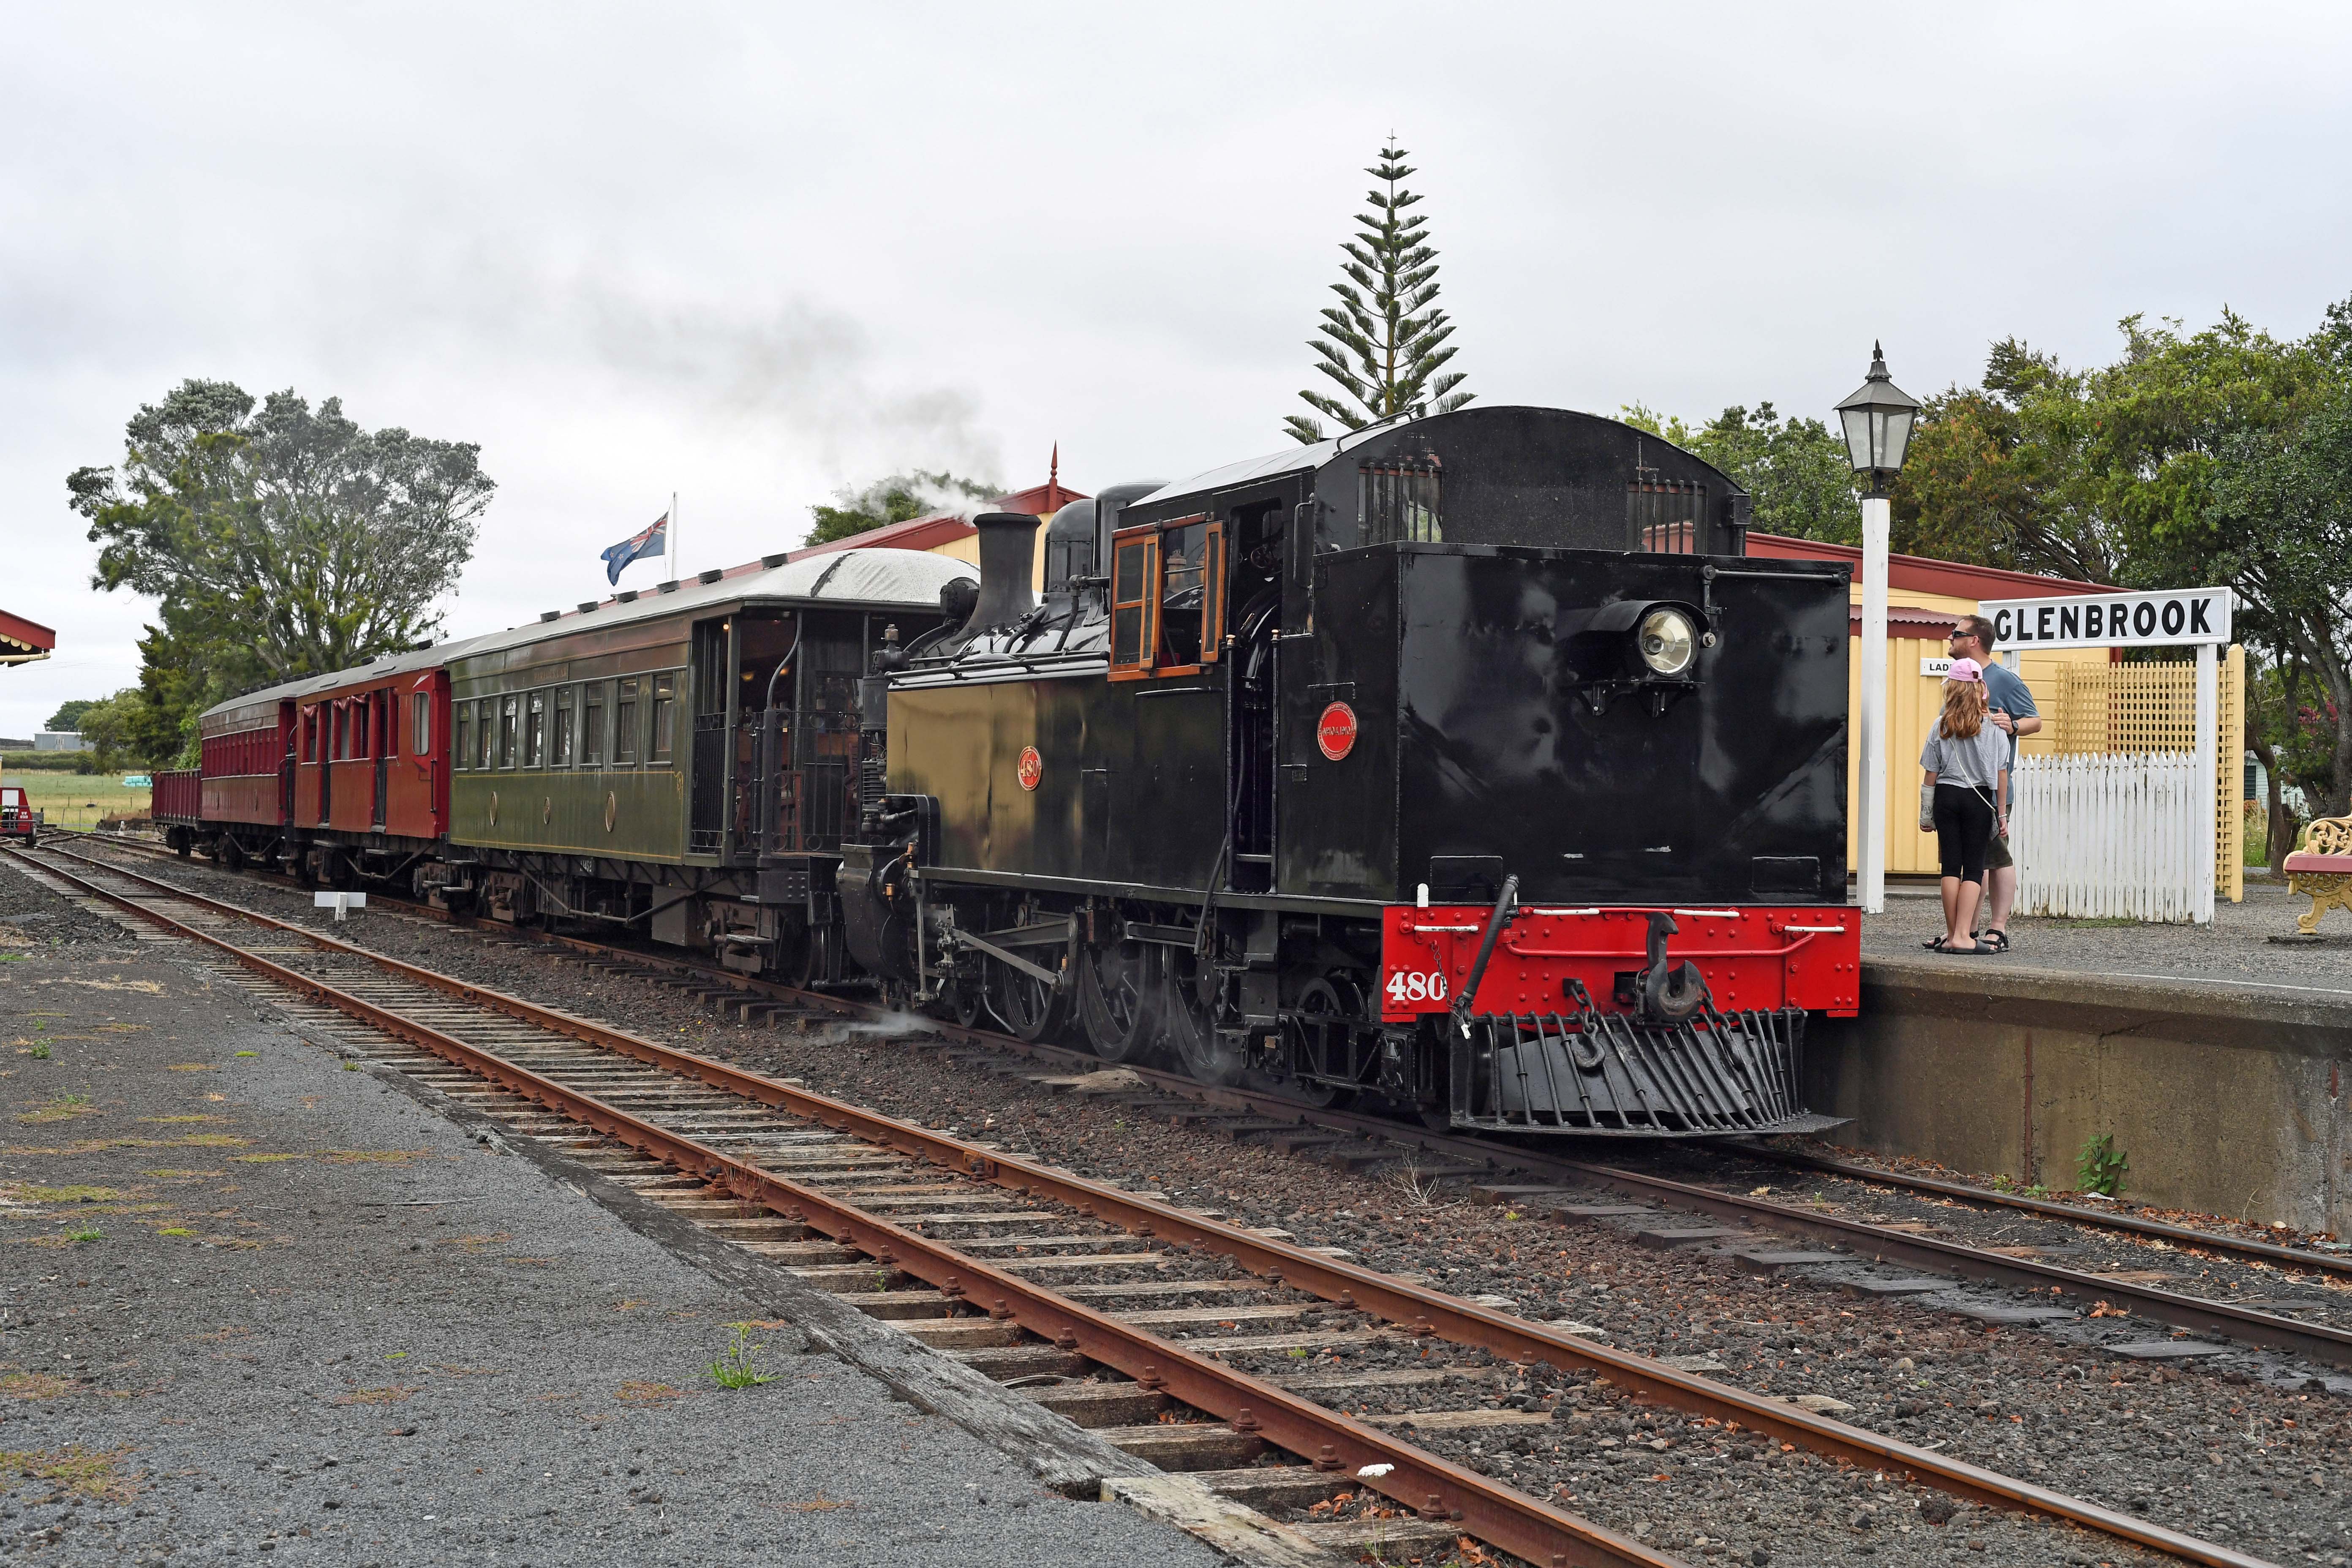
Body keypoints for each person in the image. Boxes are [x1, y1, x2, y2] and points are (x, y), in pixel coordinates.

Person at [1947, 614, 2039, 950]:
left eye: (1955, 634)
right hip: (1959, 789)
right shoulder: (1958, 678)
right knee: (1972, 859)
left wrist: (2012, 725)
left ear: (1974, 641)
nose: (1949, 639)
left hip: (1992, 791)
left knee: (1996, 857)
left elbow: (2036, 721)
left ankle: (1997, 928)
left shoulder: (2005, 680)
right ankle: (1964, 930)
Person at [1919, 659, 2010, 954]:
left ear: (1951, 690)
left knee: (1950, 868)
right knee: (1973, 868)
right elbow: (2000, 774)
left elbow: (1930, 774)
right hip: (1978, 800)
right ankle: (1963, 936)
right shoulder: (1995, 728)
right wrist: (2002, 813)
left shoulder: (1941, 725)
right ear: (1980, 690)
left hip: (1946, 797)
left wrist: (1926, 813)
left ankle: (1949, 935)